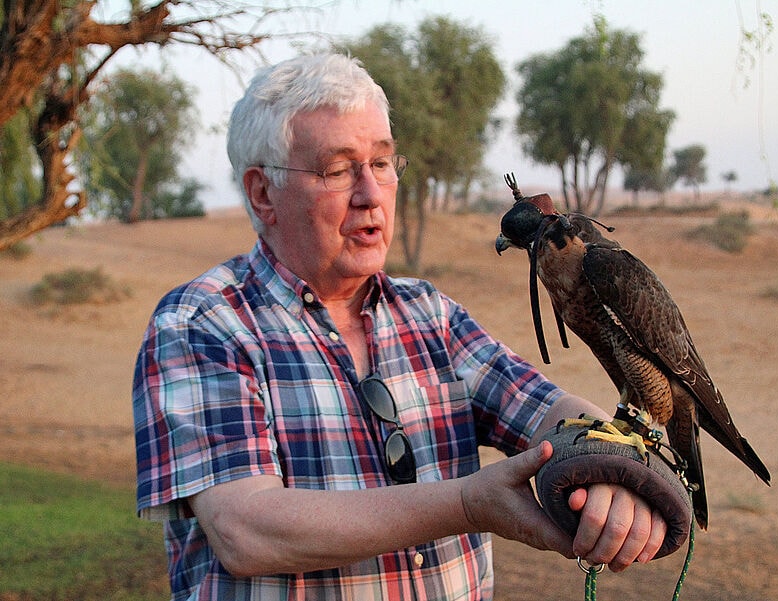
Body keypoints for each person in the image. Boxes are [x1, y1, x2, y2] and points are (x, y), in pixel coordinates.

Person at [132, 53, 666, 600]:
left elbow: (546, 409)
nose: (371, 193)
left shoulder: (429, 314)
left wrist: (614, 463)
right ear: (263, 193)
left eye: (383, 163)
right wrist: (465, 504)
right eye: (338, 170)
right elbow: (246, 529)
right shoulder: (204, 324)